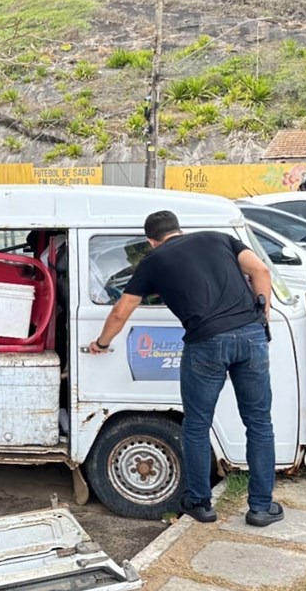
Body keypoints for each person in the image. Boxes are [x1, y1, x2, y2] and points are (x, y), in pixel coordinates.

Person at [89, 210, 283, 528]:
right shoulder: (218, 238)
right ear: (179, 230)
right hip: (251, 336)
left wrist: (102, 342)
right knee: (259, 423)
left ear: (151, 241)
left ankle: (200, 503)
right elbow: (260, 270)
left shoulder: (152, 262)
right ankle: (261, 508)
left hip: (205, 343)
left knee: (196, 425)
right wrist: (263, 314)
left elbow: (121, 311)